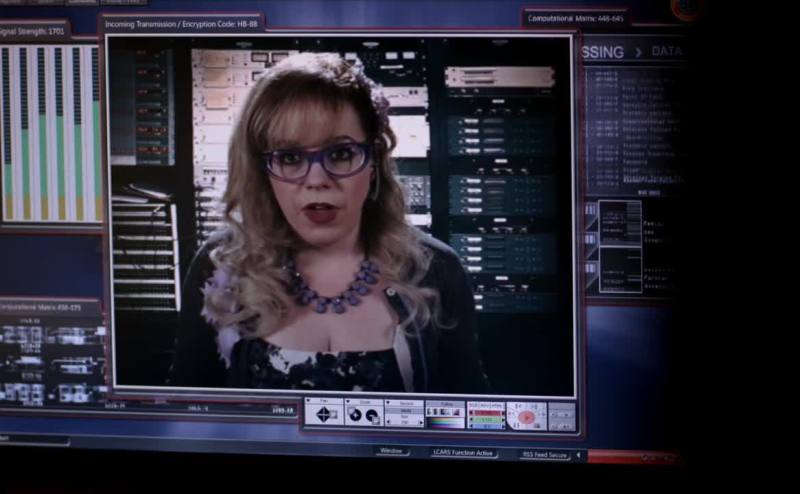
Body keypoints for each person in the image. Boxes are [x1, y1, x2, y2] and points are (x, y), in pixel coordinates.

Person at [169, 52, 489, 393]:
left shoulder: (437, 268)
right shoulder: (220, 266)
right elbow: (185, 410)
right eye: (290, 157)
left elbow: (468, 413)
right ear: (262, 171)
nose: (317, 180)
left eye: (340, 154)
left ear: (374, 162)